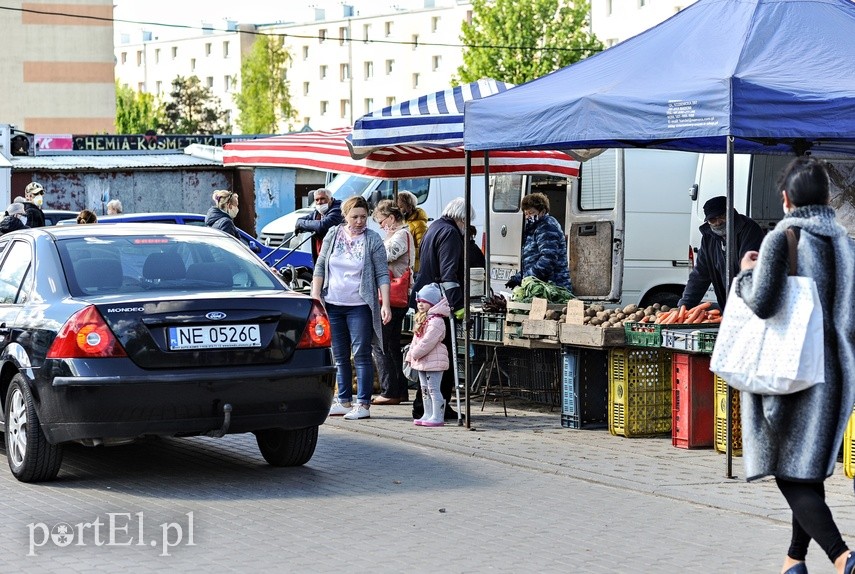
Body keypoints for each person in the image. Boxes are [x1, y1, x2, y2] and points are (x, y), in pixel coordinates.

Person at [735, 157, 855, 574]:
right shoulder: (846, 242)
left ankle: (843, 557)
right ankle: (793, 562)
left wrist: (746, 273)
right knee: (807, 470)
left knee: (788, 471)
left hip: (791, 375)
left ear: (786, 199)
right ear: (826, 198)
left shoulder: (781, 236)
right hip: (837, 375)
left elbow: (764, 303)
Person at [312, 196, 391, 421]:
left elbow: (382, 273)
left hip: (359, 305)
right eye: (355, 216)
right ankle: (344, 400)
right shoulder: (333, 234)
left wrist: (385, 303)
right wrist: (316, 295)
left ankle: (363, 404)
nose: (359, 221)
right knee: (339, 355)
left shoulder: (372, 239)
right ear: (345, 216)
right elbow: (320, 265)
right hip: (333, 303)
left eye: (363, 217)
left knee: (361, 354)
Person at [410, 197, 472, 421]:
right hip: (440, 304)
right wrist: (458, 307)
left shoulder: (434, 227)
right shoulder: (451, 234)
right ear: (462, 219)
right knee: (441, 359)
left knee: (427, 359)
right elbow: (449, 275)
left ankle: (426, 407)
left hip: (425, 300)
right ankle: (438, 408)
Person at [678, 195, 764, 310]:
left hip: (751, 302)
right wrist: (685, 305)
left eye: (722, 217)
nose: (718, 222)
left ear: (731, 213)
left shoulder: (749, 230)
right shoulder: (708, 238)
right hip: (728, 304)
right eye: (712, 220)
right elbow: (700, 274)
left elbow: (749, 270)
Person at [370, 200, 415, 405]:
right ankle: (399, 390)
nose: (380, 226)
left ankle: (390, 391)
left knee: (381, 344)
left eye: (381, 221)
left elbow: (385, 255)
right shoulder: (397, 234)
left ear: (390, 218)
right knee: (392, 344)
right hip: (396, 298)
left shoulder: (401, 235)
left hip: (392, 296)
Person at [505, 192, 572, 291]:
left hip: (554, 287)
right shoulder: (534, 227)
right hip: (541, 286)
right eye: (526, 214)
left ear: (542, 211)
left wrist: (525, 278)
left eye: (531, 213)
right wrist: (518, 277)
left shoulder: (547, 227)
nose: (528, 217)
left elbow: (548, 260)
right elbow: (533, 259)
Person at [406, 283, 450, 427]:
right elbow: (415, 339)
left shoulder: (437, 321)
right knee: (424, 389)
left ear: (432, 303)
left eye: (424, 301)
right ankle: (428, 413)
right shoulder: (422, 318)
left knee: (433, 389)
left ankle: (438, 415)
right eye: (419, 301)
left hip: (434, 360)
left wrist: (415, 353)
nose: (420, 304)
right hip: (422, 361)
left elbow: (428, 341)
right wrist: (410, 355)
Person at [294, 188, 343, 262]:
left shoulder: (338, 210)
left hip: (335, 257)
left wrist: (304, 225)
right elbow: (299, 221)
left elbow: (322, 226)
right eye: (317, 200)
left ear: (331, 199)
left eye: (322, 199)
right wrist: (307, 225)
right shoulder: (317, 212)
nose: (319, 202)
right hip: (320, 256)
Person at [397, 190, 428, 273]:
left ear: (409, 207)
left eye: (400, 207)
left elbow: (423, 249)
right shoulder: (403, 222)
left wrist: (406, 251)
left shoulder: (419, 225)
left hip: (416, 269)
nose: (398, 210)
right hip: (406, 267)